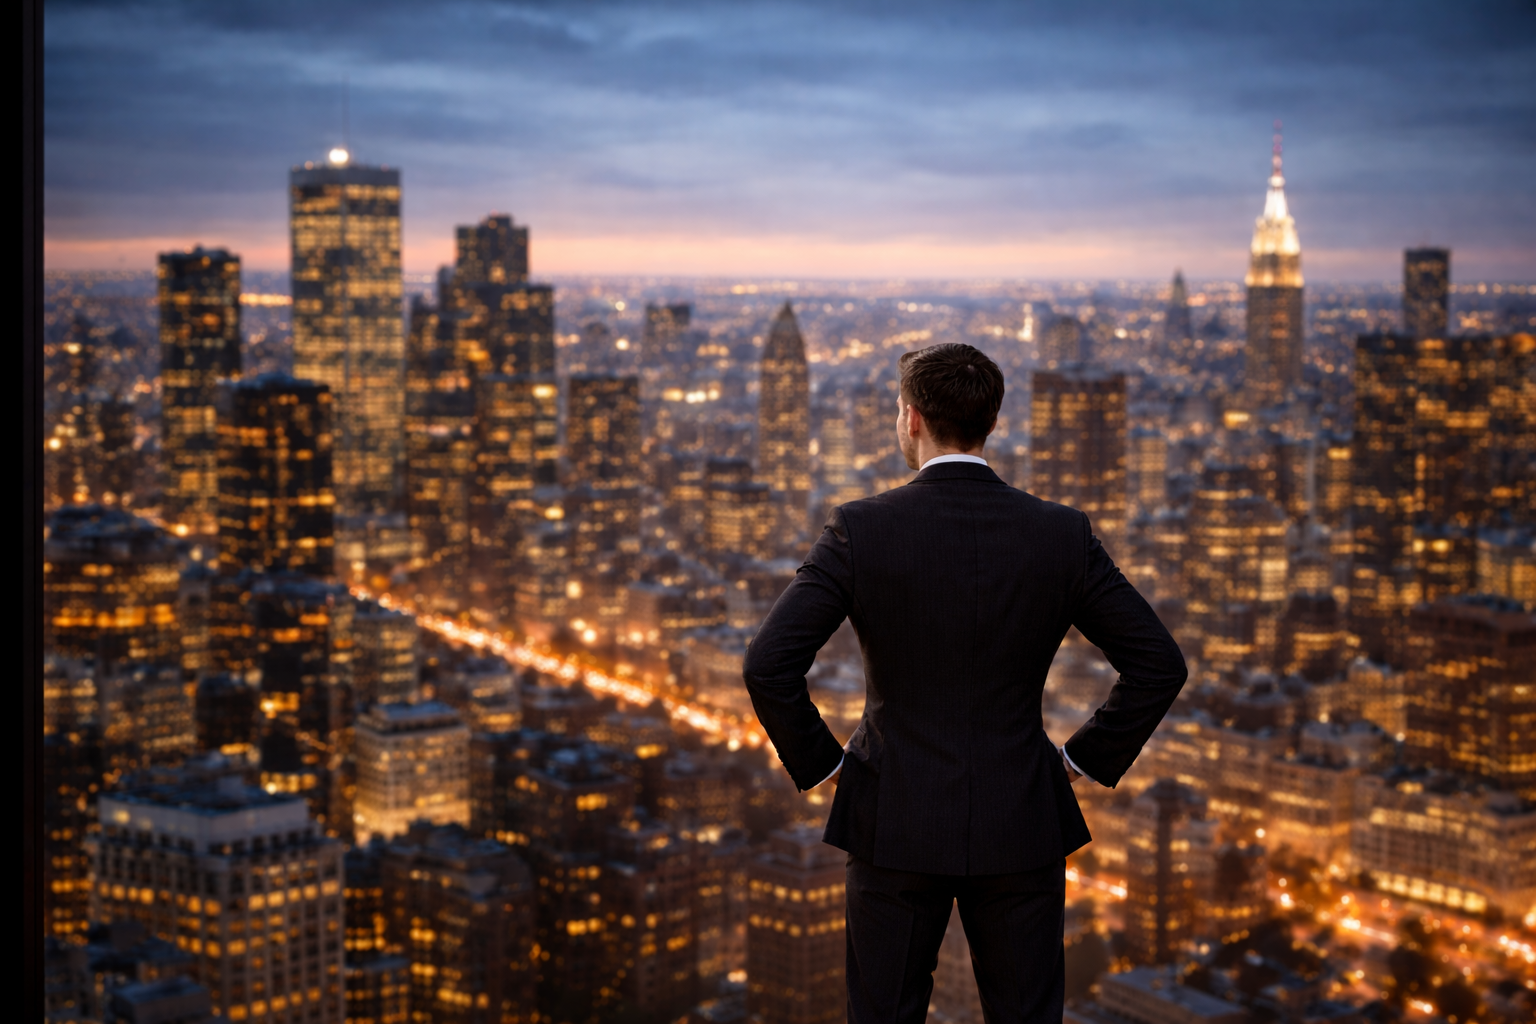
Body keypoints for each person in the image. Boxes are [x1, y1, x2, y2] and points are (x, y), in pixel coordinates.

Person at [743, 342, 1187, 1023]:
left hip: (891, 815)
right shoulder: (1061, 535)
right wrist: (1075, 762)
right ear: (992, 423)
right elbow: (1160, 663)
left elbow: (767, 664)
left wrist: (830, 770)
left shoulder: (860, 529)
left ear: (912, 419)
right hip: (1022, 817)